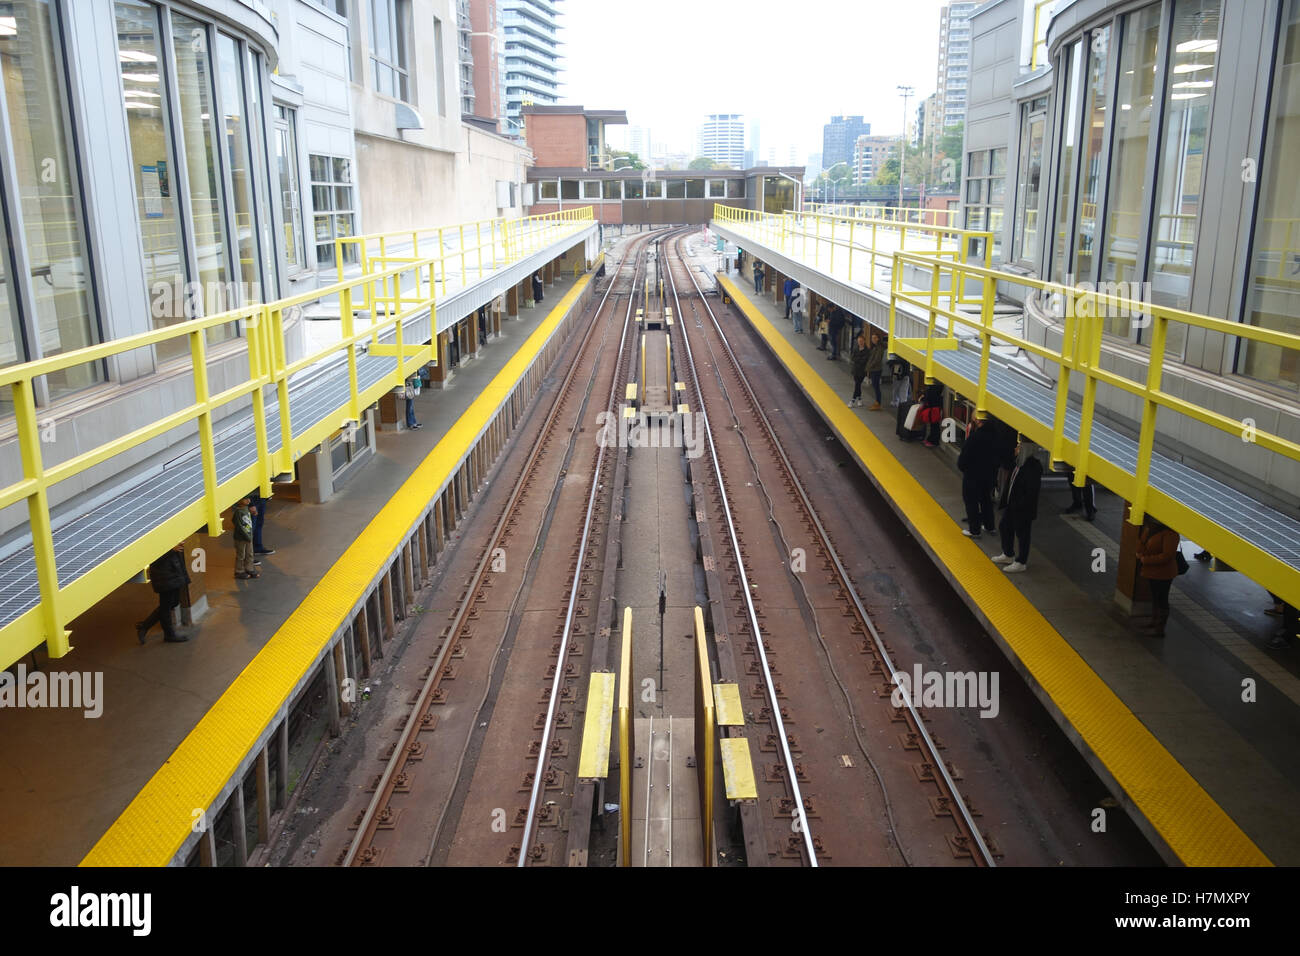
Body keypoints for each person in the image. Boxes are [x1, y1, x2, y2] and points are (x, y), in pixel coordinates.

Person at [992, 438, 1043, 574]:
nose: (1015, 449)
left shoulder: (1032, 467)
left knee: (1023, 535)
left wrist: (1019, 505)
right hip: (1012, 506)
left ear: (1026, 450)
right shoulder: (1019, 463)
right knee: (1004, 526)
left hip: (1022, 509)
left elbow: (1030, 492)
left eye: (1018, 447)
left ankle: (1021, 562)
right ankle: (1008, 554)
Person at [136, 545, 191, 644]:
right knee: (166, 606)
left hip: (173, 573)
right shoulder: (154, 538)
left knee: (173, 602)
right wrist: (171, 550)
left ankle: (144, 626)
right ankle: (169, 634)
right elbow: (153, 557)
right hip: (164, 576)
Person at [1135, 517, 1180, 637]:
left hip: (1164, 573)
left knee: (1162, 598)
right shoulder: (1149, 530)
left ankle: (1160, 628)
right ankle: (1154, 621)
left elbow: (1167, 556)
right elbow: (1141, 545)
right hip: (1151, 571)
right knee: (1155, 597)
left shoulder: (1171, 534)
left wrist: (1146, 559)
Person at [957, 416, 1000, 538]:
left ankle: (974, 530)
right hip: (989, 476)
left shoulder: (975, 437)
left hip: (973, 476)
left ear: (979, 421)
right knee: (986, 500)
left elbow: (963, 459)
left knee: (971, 502)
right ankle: (989, 526)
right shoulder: (995, 436)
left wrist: (964, 469)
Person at [233, 497, 260, 580]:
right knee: (241, 555)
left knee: (250, 553)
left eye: (249, 499)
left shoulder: (246, 508)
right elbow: (239, 526)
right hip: (241, 538)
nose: (249, 501)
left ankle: (249, 568)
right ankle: (239, 571)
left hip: (249, 536)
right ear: (239, 500)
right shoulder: (238, 512)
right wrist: (247, 536)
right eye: (245, 499)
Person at [248, 488, 275, 559]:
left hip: (261, 497)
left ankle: (258, 548)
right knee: (250, 529)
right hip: (251, 499)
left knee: (258, 525)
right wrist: (250, 504)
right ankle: (248, 557)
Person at [920, 382, 945, 447]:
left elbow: (932, 394)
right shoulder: (937, 385)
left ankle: (934, 441)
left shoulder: (935, 386)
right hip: (934, 406)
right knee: (933, 424)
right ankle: (931, 439)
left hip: (934, 406)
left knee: (934, 424)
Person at [849, 333, 870, 407]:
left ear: (864, 341)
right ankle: (860, 399)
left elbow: (864, 360)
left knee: (857, 384)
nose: (860, 342)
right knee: (858, 385)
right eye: (859, 341)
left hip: (862, 370)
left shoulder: (867, 350)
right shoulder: (855, 348)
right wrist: (858, 359)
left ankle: (853, 399)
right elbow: (852, 357)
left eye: (861, 341)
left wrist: (857, 359)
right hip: (855, 370)